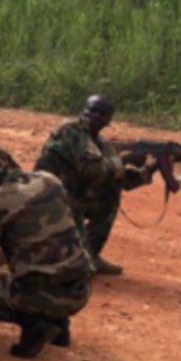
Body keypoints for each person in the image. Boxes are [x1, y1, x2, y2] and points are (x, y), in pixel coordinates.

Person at [0, 140, 94, 359]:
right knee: (46, 268)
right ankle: (60, 326)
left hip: (40, 294)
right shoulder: (49, 180)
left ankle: (35, 324)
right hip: (81, 289)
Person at [34, 95, 157, 276]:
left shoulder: (102, 143)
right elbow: (92, 169)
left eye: (102, 113)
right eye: (91, 110)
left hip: (72, 197)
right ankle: (79, 259)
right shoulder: (70, 130)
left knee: (111, 191)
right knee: (79, 271)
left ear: (109, 120)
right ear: (82, 110)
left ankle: (91, 253)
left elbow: (121, 180)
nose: (95, 116)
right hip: (50, 196)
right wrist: (125, 160)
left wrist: (155, 166)